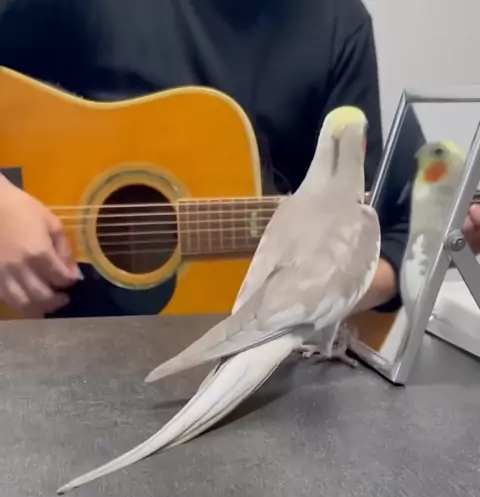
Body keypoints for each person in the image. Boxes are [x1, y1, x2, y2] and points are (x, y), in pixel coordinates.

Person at [0, 0, 477, 320]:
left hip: (225, 368)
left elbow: (374, 227)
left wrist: (418, 251)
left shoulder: (338, 23)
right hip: (46, 357)